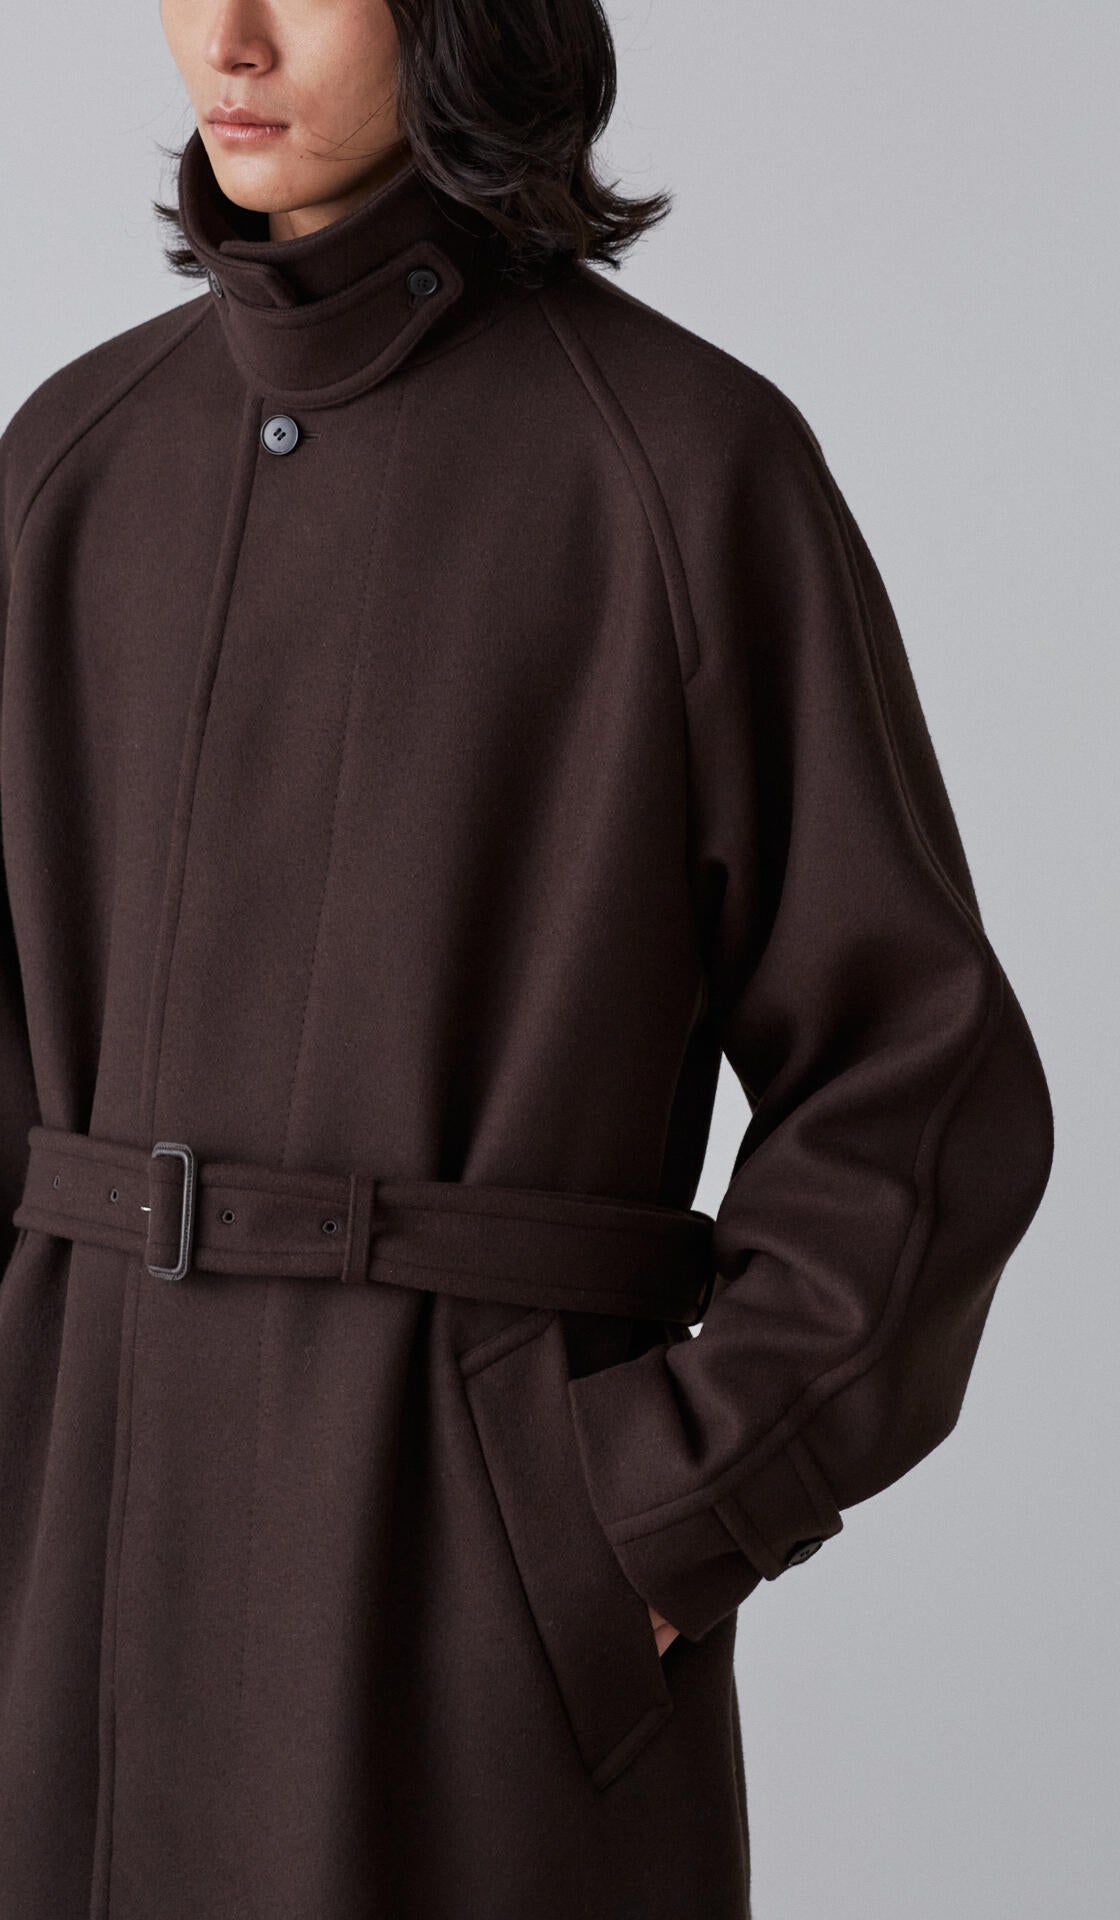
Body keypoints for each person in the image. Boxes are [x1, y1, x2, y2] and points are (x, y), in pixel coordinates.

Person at [0, 1, 1055, 1915]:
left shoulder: (682, 468)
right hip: (61, 1591)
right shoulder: (70, 464)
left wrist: (649, 1519)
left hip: (455, 1601)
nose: (229, 38)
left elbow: (922, 1088)